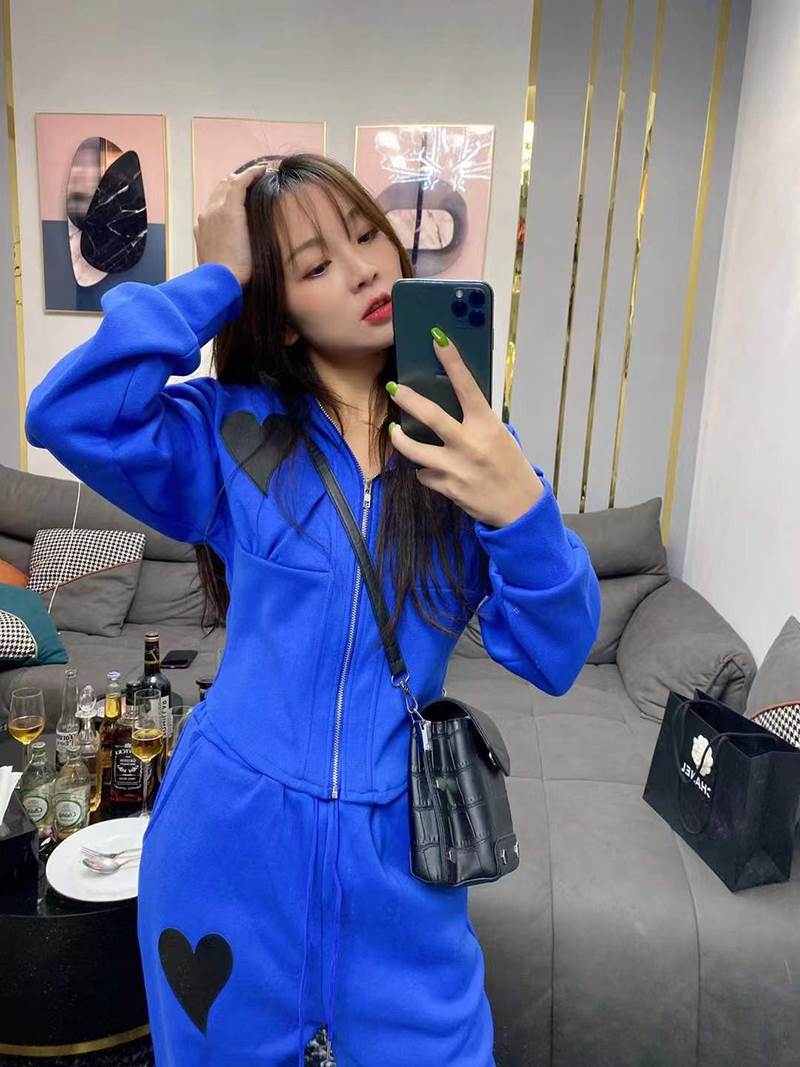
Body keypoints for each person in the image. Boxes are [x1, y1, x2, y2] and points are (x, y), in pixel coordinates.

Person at [25, 153, 601, 1067]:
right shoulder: (232, 433)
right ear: (283, 314)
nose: (365, 270)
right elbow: (70, 413)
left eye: (368, 235)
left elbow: (557, 653)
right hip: (226, 845)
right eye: (316, 264)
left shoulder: (471, 452)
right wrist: (217, 279)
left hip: (401, 862)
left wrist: (520, 506)